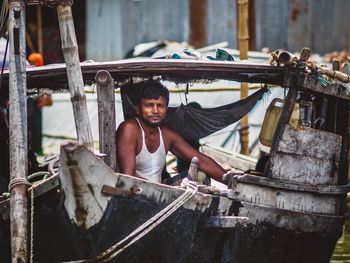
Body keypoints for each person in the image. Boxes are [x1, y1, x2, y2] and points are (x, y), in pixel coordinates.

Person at [116, 80, 227, 184]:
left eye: (160, 106)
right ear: (137, 109)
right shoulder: (129, 129)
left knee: (200, 175)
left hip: (161, 190)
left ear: (166, 109)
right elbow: (128, 178)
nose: (155, 111)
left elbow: (201, 160)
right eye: (149, 105)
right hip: (135, 192)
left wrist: (231, 180)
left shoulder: (166, 134)